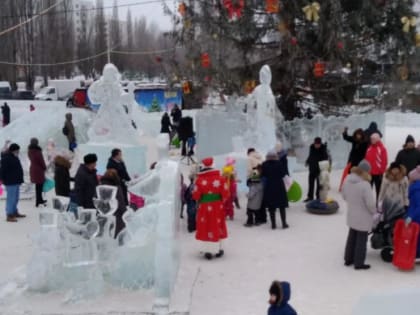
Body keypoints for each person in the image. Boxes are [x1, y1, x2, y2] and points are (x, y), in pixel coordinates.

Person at [192, 157, 229, 260]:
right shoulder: (221, 179)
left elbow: (195, 195)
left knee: (206, 226)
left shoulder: (199, 180)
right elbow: (226, 193)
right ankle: (218, 248)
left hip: (204, 207)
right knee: (217, 225)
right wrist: (220, 200)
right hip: (217, 206)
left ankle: (208, 250)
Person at [342, 160, 376, 270]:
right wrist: (374, 212)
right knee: (361, 240)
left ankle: (348, 259)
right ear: (366, 172)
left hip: (352, 214)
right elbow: (370, 204)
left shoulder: (347, 179)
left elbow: (344, 195)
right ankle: (359, 263)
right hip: (363, 217)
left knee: (351, 237)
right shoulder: (365, 185)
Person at [261, 150, 289, 229]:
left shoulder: (264, 164)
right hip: (279, 185)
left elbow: (263, 175)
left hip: (269, 186)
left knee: (271, 207)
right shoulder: (279, 163)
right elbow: (283, 174)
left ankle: (273, 224)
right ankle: (284, 223)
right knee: (281, 206)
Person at [0, 143, 25, 222]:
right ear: (14, 150)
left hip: (16, 181)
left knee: (16, 198)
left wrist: (20, 179)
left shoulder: (14, 157)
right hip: (10, 182)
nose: (18, 152)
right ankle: (9, 214)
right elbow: (2, 170)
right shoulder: (6, 158)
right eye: (17, 150)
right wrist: (2, 179)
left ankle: (14, 211)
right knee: (11, 198)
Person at [100, 169, 127, 238]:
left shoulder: (100, 187)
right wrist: (126, 214)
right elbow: (121, 203)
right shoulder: (116, 187)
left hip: (103, 216)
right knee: (117, 238)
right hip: (117, 217)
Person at [304, 137, 329, 202]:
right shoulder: (312, 147)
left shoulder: (323, 150)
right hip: (312, 168)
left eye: (318, 144)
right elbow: (310, 156)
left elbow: (326, 159)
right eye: (316, 144)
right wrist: (307, 161)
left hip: (319, 170)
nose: (317, 145)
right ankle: (310, 197)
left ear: (320, 144)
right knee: (311, 184)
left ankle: (318, 197)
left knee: (319, 185)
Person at [365, 133, 388, 201]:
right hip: (369, 173)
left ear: (377, 139)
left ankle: (378, 204)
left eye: (373, 139)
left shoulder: (382, 149)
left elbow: (384, 161)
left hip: (378, 174)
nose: (372, 140)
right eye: (371, 139)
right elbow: (366, 160)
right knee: (368, 190)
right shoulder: (369, 148)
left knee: (379, 191)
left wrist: (381, 171)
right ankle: (369, 204)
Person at [28, 138, 47, 207]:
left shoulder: (29, 151)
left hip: (33, 169)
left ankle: (39, 200)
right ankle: (39, 201)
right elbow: (41, 161)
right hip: (39, 170)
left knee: (37, 186)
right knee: (40, 186)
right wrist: (45, 167)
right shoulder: (38, 151)